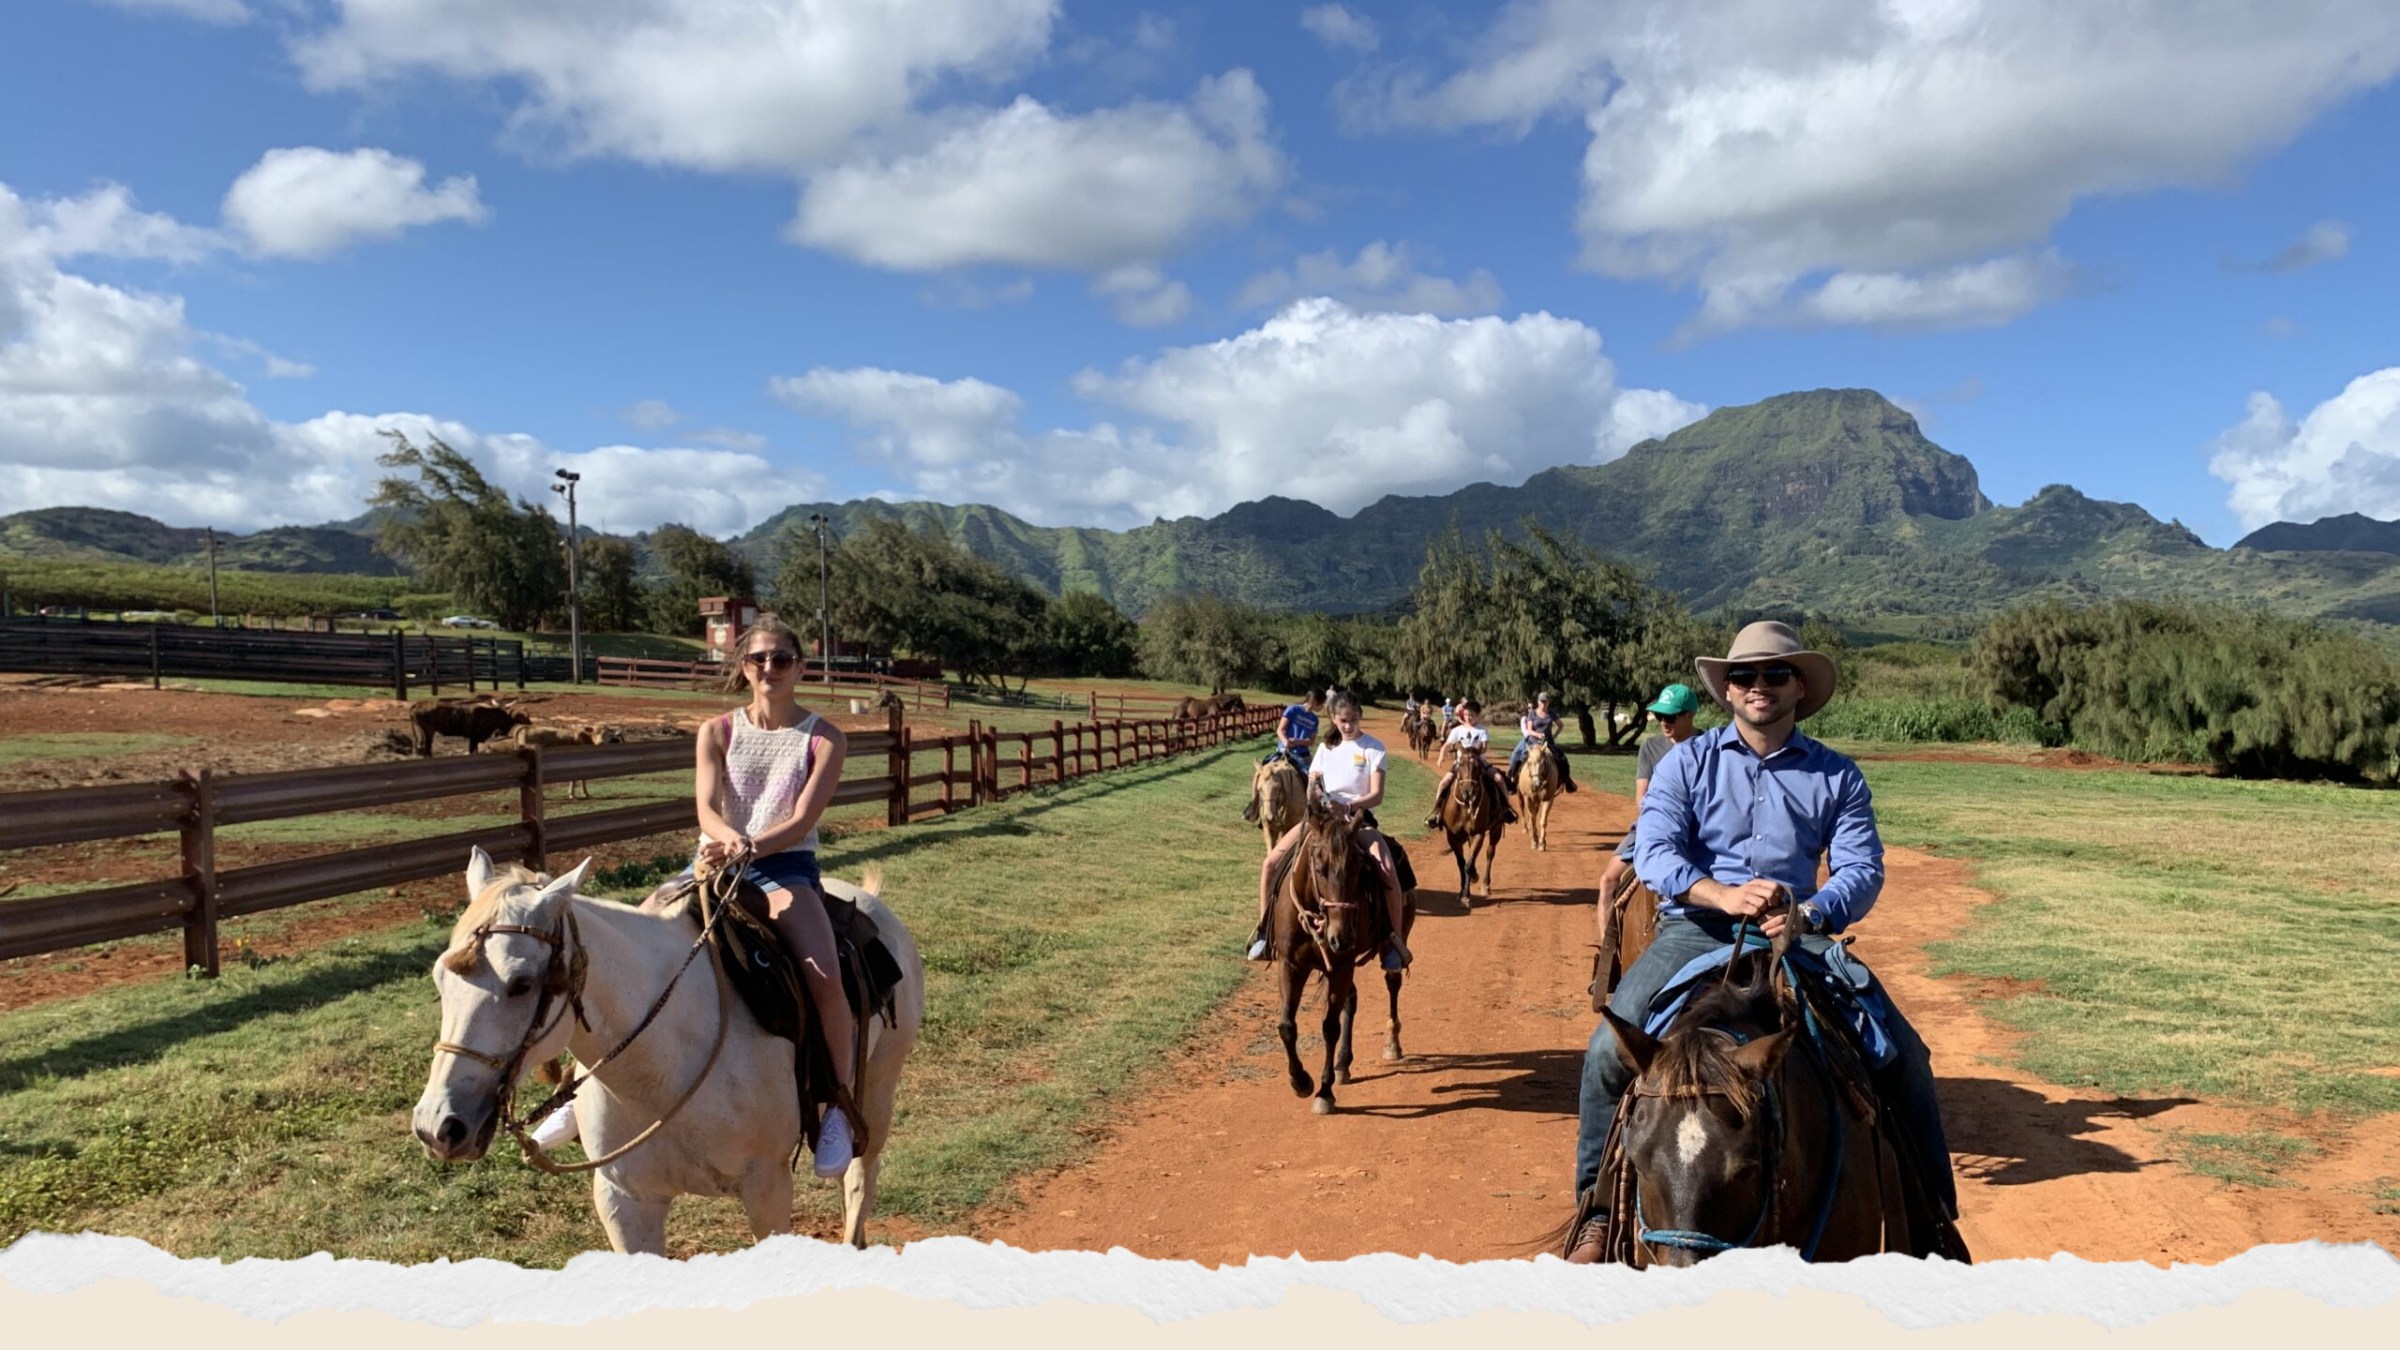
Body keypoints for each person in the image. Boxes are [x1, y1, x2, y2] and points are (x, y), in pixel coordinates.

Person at [1562, 622, 1957, 1262]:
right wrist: (1718, 893)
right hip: (1694, 929)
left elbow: (1862, 867)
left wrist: (1810, 910)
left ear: (1799, 686)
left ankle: (1934, 1219)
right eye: (1744, 676)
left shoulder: (1838, 775)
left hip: (1792, 936)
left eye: (1775, 674)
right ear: (1727, 689)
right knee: (1609, 1051)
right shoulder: (1686, 763)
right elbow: (1656, 849)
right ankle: (1598, 1212)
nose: (1758, 686)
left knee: (1903, 1055)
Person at [658, 615, 866, 1177]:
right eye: (757, 659)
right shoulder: (716, 731)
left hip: (785, 865)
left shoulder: (825, 737)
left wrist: (750, 846)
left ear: (800, 666)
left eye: (780, 659)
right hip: (716, 856)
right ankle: (586, 1096)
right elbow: (705, 806)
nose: (768, 668)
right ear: (742, 667)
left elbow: (801, 821)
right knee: (636, 938)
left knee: (825, 977)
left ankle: (837, 1109)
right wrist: (726, 841)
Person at [1246, 693, 1413, 971]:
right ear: (1334, 719)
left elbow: (1376, 795)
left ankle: (1392, 942)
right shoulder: (1325, 749)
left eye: (1354, 720)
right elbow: (1312, 787)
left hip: (1356, 821)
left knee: (1386, 868)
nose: (1348, 726)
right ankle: (1266, 933)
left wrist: (1347, 804)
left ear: (1360, 716)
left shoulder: (1374, 748)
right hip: (1320, 821)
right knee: (1270, 863)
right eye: (1343, 720)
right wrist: (1320, 801)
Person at [1591, 682, 1701, 924]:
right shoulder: (1651, 747)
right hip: (1655, 823)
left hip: (1702, 828)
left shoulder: (1709, 745)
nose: (1664, 722)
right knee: (1608, 881)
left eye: (1671, 716)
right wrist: (1662, 819)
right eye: (1660, 715)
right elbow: (1641, 796)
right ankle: (1608, 956)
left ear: (1690, 715)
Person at [1424, 699, 1516, 828]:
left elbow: (1484, 748)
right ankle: (1438, 812)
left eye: (1472, 715)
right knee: (1443, 783)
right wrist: (1441, 756)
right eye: (1466, 715)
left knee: (1499, 779)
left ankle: (1505, 808)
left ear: (1478, 715)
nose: (1469, 717)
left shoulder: (1482, 730)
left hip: (1479, 762)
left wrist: (1475, 752)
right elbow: (1447, 745)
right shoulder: (1457, 730)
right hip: (1461, 764)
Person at [1244, 690, 1323, 823]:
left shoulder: (1314, 719)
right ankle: (1254, 806)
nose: (1323, 707)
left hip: (1302, 755)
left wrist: (1297, 742)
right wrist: (1285, 741)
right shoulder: (1292, 710)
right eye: (1322, 703)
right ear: (1315, 702)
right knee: (1261, 773)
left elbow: (1311, 741)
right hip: (1283, 751)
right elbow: (1280, 729)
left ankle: (1312, 810)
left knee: (1316, 780)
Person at [1503, 691, 1579, 795]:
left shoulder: (1551, 713)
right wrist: (1537, 735)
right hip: (1533, 742)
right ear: (1538, 702)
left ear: (1548, 702)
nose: (1544, 703)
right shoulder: (1532, 713)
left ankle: (1567, 781)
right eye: (1542, 701)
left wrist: (1554, 736)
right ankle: (1512, 781)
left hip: (1548, 743)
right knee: (1520, 758)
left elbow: (1561, 725)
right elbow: (1529, 730)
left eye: (1545, 701)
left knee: (1562, 758)